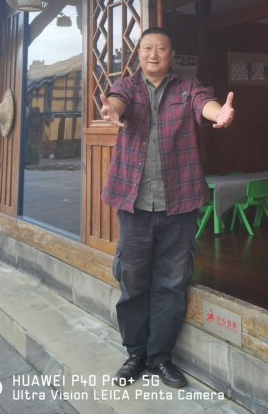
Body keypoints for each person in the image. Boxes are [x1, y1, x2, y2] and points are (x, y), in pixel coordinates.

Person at [100, 26, 235, 389]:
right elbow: (117, 100)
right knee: (132, 281)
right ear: (139, 53)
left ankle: (160, 357)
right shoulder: (128, 87)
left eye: (161, 48)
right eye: (148, 48)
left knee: (172, 284)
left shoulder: (188, 86)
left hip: (180, 204)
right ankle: (135, 354)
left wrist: (218, 114)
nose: (154, 54)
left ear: (172, 55)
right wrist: (111, 109)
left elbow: (203, 104)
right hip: (135, 204)